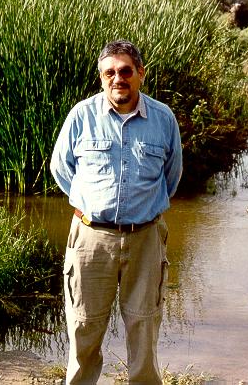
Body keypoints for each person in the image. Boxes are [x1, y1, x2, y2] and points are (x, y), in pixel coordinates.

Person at [50, 39, 183, 384]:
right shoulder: (82, 115)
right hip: (90, 240)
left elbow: (172, 176)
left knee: (144, 326)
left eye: (125, 71)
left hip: (145, 240)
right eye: (109, 72)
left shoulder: (164, 119)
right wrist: (91, 207)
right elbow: (61, 169)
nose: (117, 78)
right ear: (101, 77)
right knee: (84, 327)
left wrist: (142, 209)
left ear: (140, 73)